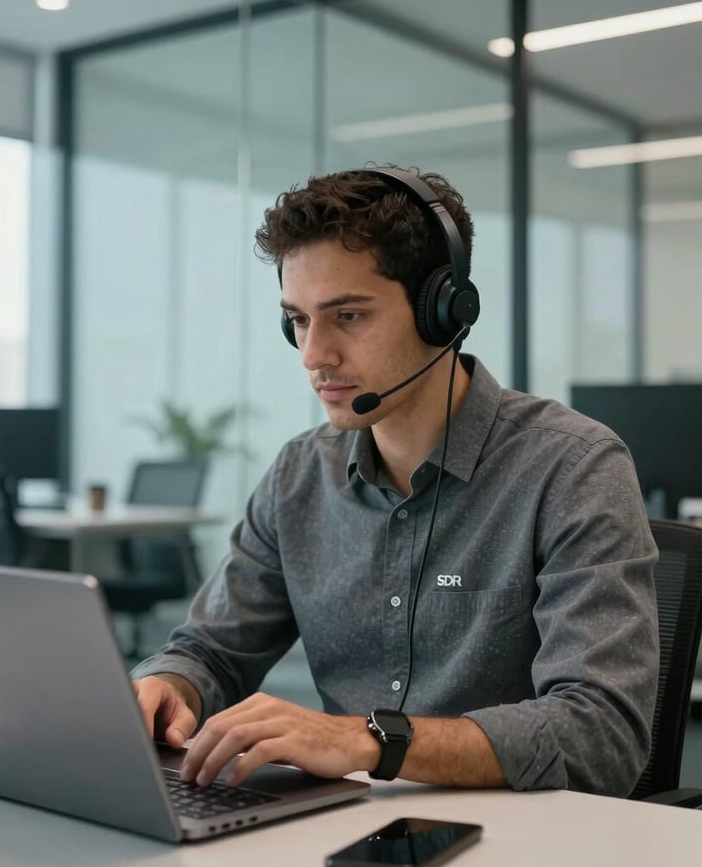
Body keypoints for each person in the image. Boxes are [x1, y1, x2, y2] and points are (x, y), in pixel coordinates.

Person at [131, 165, 659, 797]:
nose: (312, 354)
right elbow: (212, 649)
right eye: (297, 319)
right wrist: (170, 685)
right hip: (348, 832)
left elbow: (601, 732)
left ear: (443, 310)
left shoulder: (572, 468)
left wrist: (368, 741)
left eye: (347, 316)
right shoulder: (300, 476)